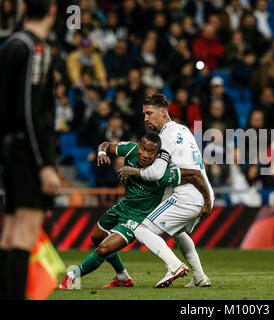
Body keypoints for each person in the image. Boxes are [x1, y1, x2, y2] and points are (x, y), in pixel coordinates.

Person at [58, 133, 211, 289]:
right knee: (97, 238)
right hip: (122, 206)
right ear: (138, 145)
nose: (145, 154)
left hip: (137, 217)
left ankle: (71, 277)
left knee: (103, 249)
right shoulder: (130, 149)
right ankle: (123, 278)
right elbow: (106, 145)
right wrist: (102, 153)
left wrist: (207, 201)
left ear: (157, 155)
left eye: (151, 152)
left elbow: (195, 175)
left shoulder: (160, 174)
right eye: (143, 149)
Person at [118, 93, 214, 288]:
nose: (145, 118)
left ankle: (174, 266)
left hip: (187, 195)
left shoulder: (165, 137)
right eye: (144, 114)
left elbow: (154, 173)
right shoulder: (183, 129)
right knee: (178, 233)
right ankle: (200, 277)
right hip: (203, 192)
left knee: (142, 230)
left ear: (163, 112)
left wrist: (132, 171)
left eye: (149, 113)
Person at [0, 0, 60, 300]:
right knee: (25, 232)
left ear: (24, 9)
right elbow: (31, 107)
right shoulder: (37, 49)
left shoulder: (11, 44)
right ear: (52, 10)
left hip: (10, 148)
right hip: (27, 151)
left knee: (9, 232)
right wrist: (44, 164)